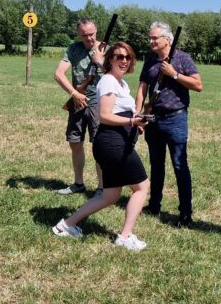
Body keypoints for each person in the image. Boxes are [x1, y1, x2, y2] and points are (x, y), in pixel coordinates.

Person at [52, 43, 151, 251]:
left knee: (110, 195)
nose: (124, 60)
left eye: (128, 57)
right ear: (109, 60)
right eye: (118, 56)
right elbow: (104, 116)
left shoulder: (121, 83)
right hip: (113, 144)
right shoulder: (108, 81)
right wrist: (132, 123)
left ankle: (66, 225)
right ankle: (125, 237)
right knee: (142, 187)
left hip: (116, 143)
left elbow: (120, 113)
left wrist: (136, 121)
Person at [136, 22, 203, 227]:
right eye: (150, 38)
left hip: (176, 118)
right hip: (153, 118)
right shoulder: (149, 60)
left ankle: (185, 214)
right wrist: (138, 115)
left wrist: (174, 73)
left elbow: (198, 85)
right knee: (156, 165)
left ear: (167, 39)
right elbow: (142, 88)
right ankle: (154, 205)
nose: (151, 41)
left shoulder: (183, 58)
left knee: (179, 165)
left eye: (155, 38)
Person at [53, 19, 105, 196]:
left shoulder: (108, 50)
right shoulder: (73, 49)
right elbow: (59, 74)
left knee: (99, 145)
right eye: (84, 35)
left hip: (99, 103)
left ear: (96, 31)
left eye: (91, 34)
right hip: (77, 102)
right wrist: (75, 94)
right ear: (79, 35)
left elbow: (117, 76)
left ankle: (101, 188)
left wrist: (100, 62)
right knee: (75, 142)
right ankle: (78, 183)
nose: (89, 38)